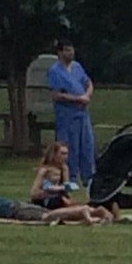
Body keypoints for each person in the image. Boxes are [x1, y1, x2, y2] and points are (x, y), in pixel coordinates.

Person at [46, 38, 96, 190]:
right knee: (69, 147)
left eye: (71, 50)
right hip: (67, 115)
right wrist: (76, 98)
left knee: (87, 145)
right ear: (60, 52)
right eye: (67, 50)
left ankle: (89, 178)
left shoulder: (77, 67)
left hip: (82, 114)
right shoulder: (55, 71)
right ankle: (69, 178)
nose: (71, 53)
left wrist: (87, 95)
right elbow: (55, 95)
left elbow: (88, 83)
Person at [0, 181, 109, 225]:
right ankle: (93, 212)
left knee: (47, 217)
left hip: (14, 211)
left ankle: (83, 210)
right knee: (52, 214)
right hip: (16, 205)